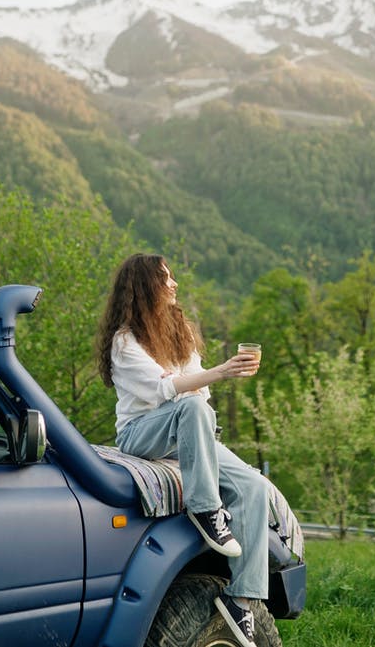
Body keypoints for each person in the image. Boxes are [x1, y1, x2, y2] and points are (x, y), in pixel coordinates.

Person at [96, 252, 269, 647]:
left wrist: (203, 396)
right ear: (143, 288)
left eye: (172, 277)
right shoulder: (124, 341)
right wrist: (222, 370)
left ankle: (241, 599)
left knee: (255, 487)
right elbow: (164, 390)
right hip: (142, 434)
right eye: (165, 278)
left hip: (189, 428)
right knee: (190, 405)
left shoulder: (181, 331)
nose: (174, 284)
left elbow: (198, 389)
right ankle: (206, 509)